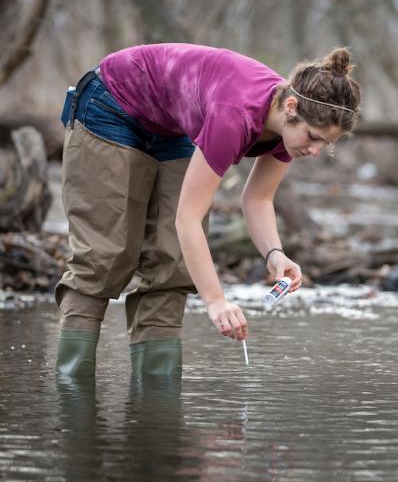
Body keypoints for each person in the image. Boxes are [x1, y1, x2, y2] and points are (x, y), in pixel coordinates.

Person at [55, 43, 361, 376]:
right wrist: (216, 302)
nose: (315, 151)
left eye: (325, 145)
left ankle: (157, 404)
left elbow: (257, 199)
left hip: (170, 123)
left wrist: (275, 255)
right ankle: (72, 395)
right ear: (290, 106)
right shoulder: (234, 114)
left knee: (171, 263)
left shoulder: (286, 130)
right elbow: (188, 218)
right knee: (105, 257)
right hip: (111, 102)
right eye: (314, 137)